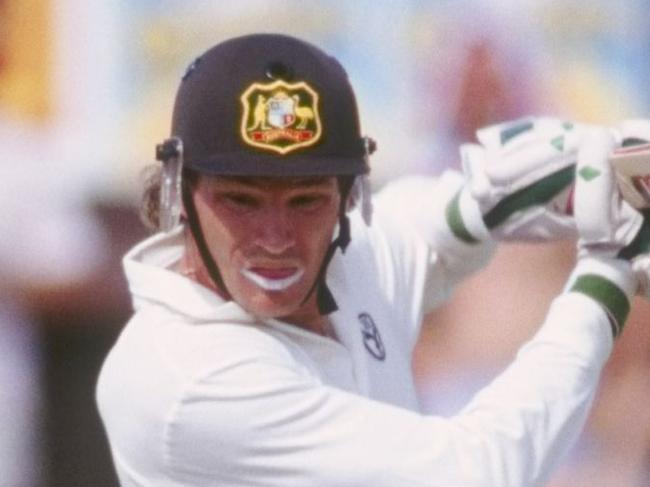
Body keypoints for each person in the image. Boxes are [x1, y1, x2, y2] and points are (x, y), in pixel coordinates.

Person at [96, 33, 650, 486]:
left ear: (348, 197)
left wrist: (603, 165)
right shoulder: (186, 379)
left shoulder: (346, 260)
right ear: (177, 192)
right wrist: (608, 273)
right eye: (241, 200)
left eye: (306, 200)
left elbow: (447, 216)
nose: (274, 236)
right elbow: (476, 473)